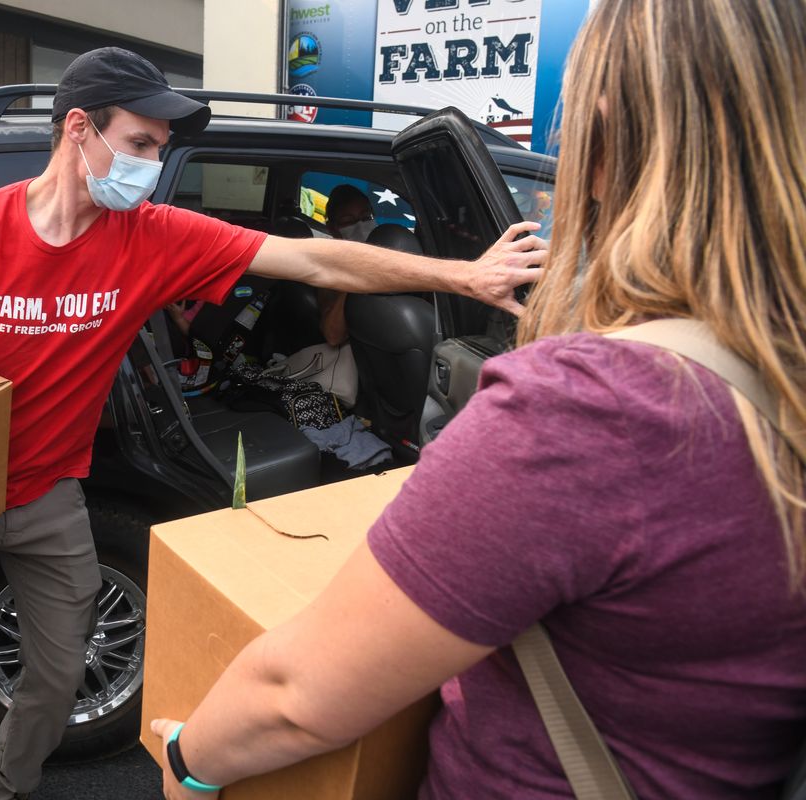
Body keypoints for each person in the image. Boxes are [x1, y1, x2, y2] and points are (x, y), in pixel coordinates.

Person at [0, 47, 545, 800]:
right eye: (139, 144)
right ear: (78, 133)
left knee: (58, 680)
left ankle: (4, 790)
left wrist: (464, 277)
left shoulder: (154, 236)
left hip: (50, 499)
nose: (150, 163)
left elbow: (315, 256)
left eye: (159, 149)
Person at [151, 1, 806, 798]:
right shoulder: (770, 376)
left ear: (605, 140)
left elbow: (295, 697)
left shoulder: (590, 411)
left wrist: (187, 762)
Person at [318, 184, 376, 346]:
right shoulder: (330, 269)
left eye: (366, 217)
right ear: (333, 229)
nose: (360, 226)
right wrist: (358, 273)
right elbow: (332, 335)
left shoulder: (393, 250)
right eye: (348, 221)